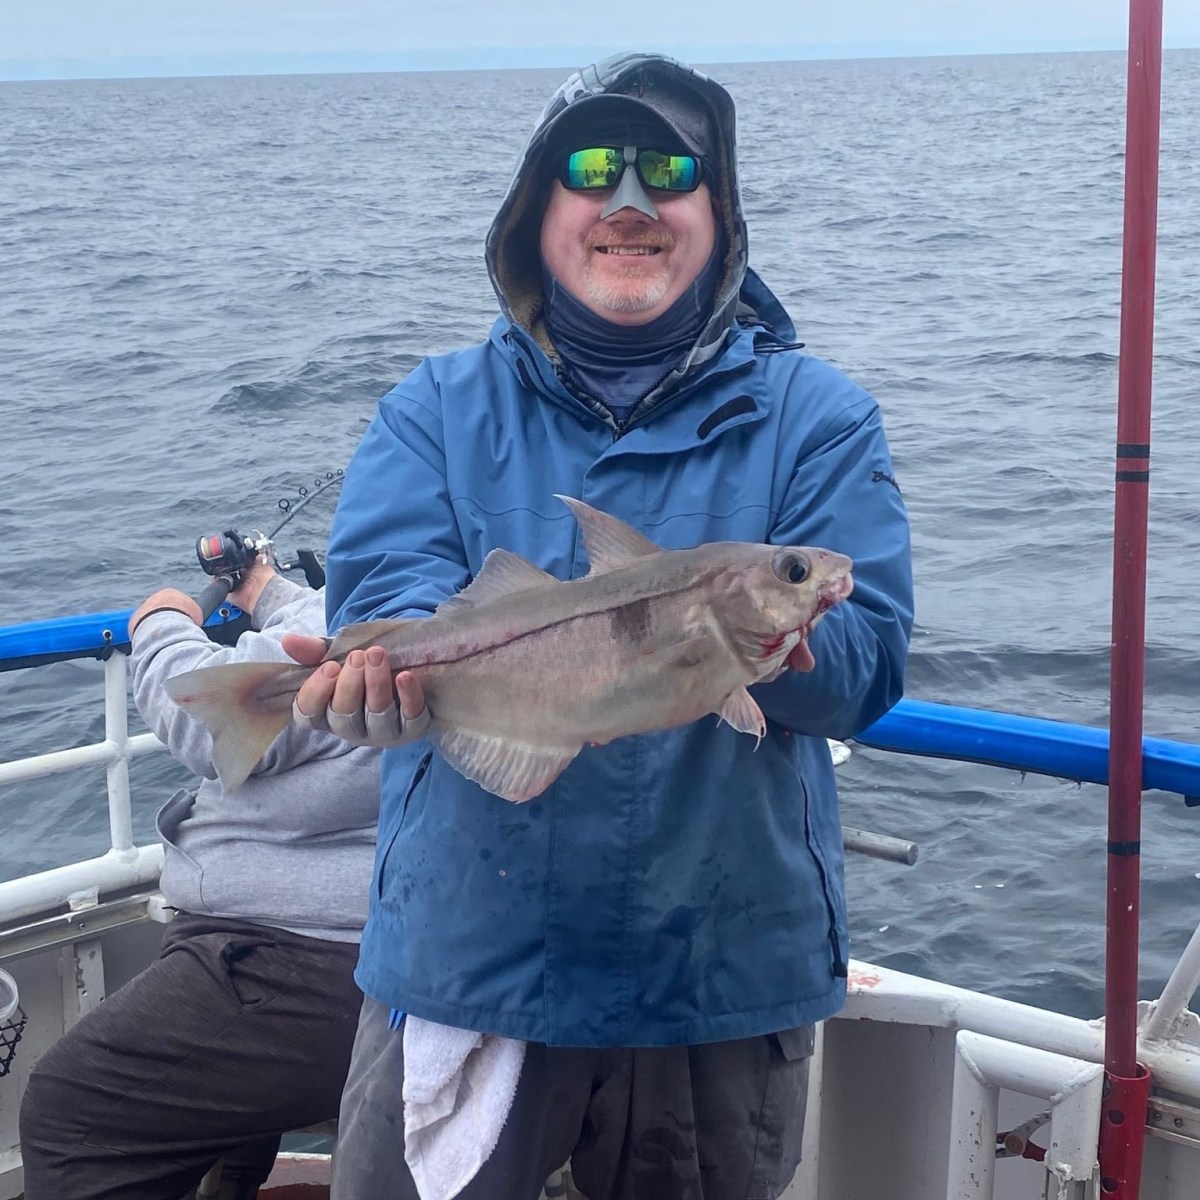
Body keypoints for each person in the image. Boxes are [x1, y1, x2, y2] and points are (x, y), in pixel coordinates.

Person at [288, 51, 914, 1200]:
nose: (631, 200)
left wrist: (769, 639)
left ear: (721, 219)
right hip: (472, 966)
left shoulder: (819, 419)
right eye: (592, 168)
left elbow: (868, 664)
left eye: (670, 170)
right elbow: (392, 606)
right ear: (535, 215)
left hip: (722, 986)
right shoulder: (433, 410)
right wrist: (376, 684)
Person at [19, 559, 379, 1200]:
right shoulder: (422, 593)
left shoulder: (400, 612)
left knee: (72, 1114)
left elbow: (208, 715)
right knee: (216, 1116)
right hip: (342, 928)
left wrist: (161, 620)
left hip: (309, 948)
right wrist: (268, 590)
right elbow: (332, 623)